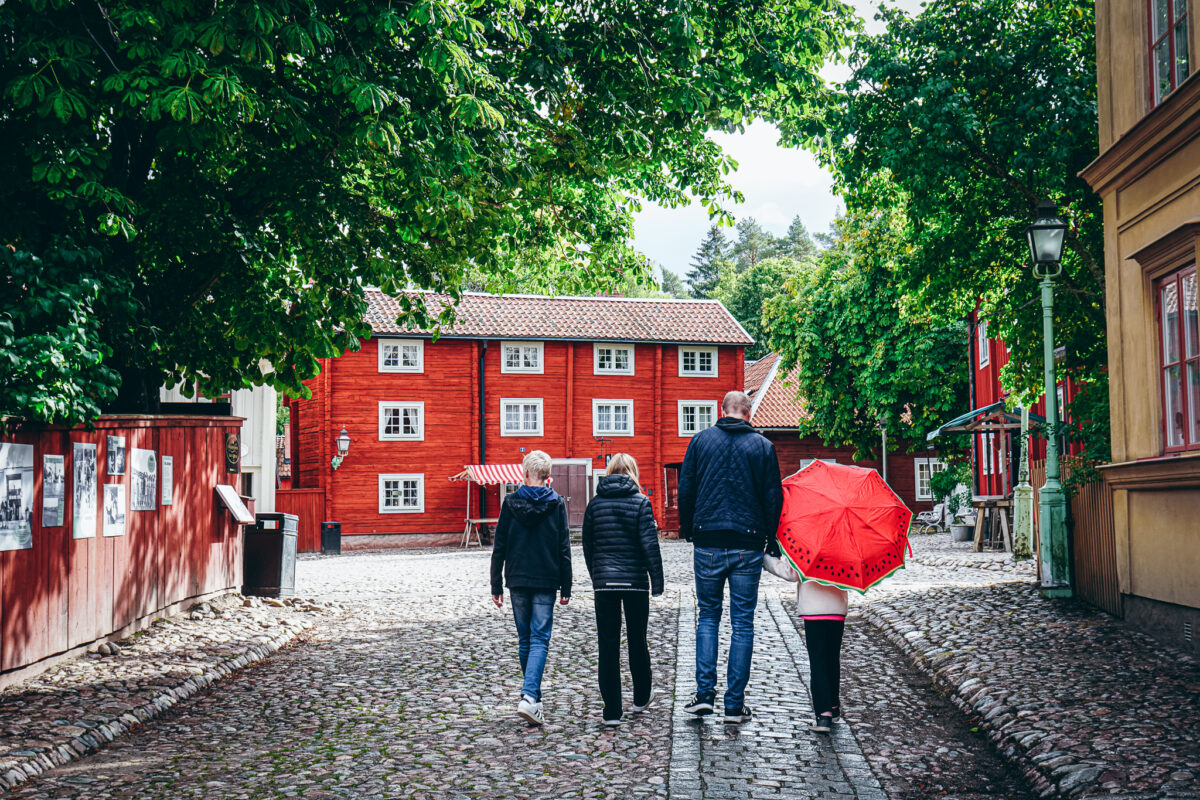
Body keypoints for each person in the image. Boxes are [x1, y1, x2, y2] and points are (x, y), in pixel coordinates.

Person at [678, 390, 783, 724]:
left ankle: (704, 696)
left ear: (721, 411)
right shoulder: (763, 447)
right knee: (742, 622)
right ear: (748, 413)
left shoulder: (700, 441)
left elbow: (686, 488)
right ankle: (734, 705)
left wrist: (689, 528)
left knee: (708, 616)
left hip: (707, 538)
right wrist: (773, 541)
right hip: (747, 542)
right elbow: (773, 497)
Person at [581, 453, 665, 727]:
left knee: (607, 645)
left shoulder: (594, 504)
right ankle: (641, 698)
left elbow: (587, 544)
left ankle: (612, 712)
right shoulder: (641, 502)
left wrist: (597, 575)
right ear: (632, 472)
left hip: (604, 583)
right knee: (637, 640)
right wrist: (657, 581)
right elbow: (649, 544)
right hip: (635, 583)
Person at [490, 450, 572, 727]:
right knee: (539, 639)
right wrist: (567, 585)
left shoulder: (510, 503)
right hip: (546, 578)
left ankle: (532, 698)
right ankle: (529, 696)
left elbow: (499, 545)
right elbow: (564, 547)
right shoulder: (557, 503)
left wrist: (496, 583)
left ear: (524, 474)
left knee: (526, 639)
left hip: (517, 578)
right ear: (548, 477)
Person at [797, 579, 849, 733]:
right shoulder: (844, 553)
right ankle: (834, 706)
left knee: (818, 661)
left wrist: (768, 561)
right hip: (836, 608)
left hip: (814, 610)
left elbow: (791, 571)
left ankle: (824, 713)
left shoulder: (807, 553)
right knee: (832, 659)